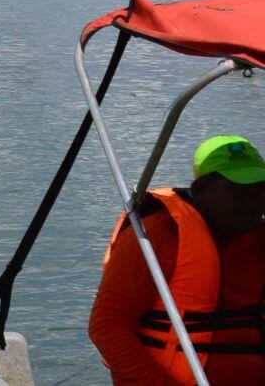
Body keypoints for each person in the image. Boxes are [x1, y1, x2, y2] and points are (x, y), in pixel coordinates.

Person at [90, 135, 265, 385]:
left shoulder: (258, 239)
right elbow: (107, 326)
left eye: (260, 190)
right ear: (201, 190)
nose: (252, 202)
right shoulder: (156, 236)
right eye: (238, 191)